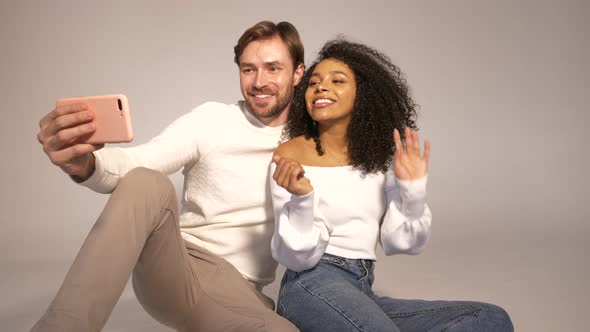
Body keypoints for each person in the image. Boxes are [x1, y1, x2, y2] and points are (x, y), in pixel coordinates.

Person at [32, 21, 304, 332]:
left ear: (297, 73)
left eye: (273, 69)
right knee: (148, 181)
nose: (259, 82)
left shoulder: (310, 139)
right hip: (181, 268)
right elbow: (138, 161)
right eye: (248, 69)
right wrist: (85, 164)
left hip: (242, 293)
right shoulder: (212, 120)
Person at [270, 39, 514, 331]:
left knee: (489, 318)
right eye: (313, 83)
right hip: (310, 284)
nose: (320, 87)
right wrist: (302, 200)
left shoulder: (379, 159)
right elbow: (295, 257)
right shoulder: (290, 155)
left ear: (363, 94)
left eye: (337, 80)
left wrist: (413, 189)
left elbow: (401, 243)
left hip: (361, 288)